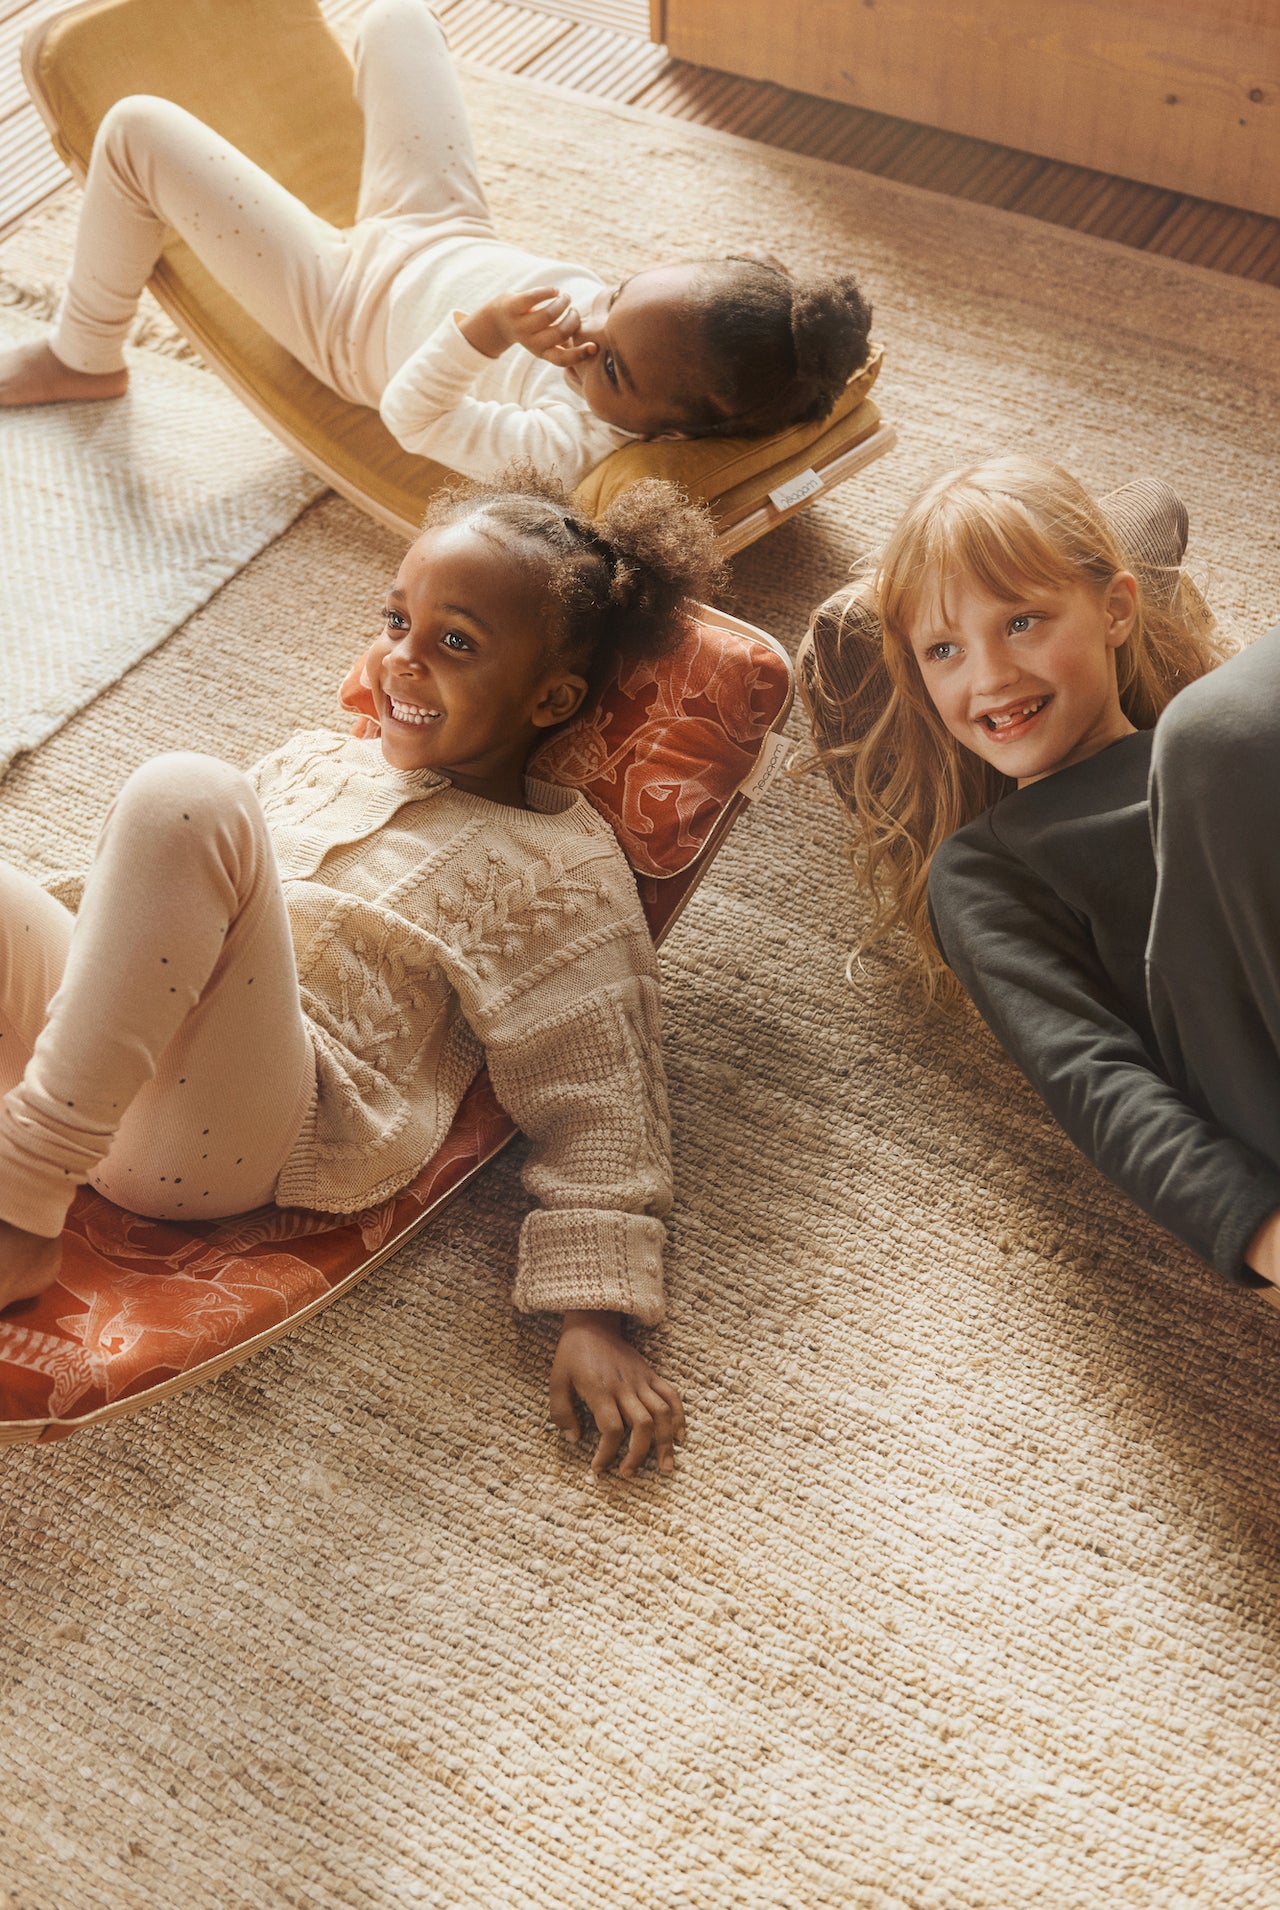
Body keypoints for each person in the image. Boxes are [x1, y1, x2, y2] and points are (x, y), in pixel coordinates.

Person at [0, 471, 724, 1475]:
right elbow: (147, 911)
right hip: (98, 1067)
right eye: (395, 620)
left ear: (552, 698)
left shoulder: (559, 866)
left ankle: (19, 1206)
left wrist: (595, 1316)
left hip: (236, 1131)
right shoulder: (317, 761)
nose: (400, 659)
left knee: (184, 794)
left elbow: (604, 1092)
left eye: (454, 642)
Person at [0, 0, 873, 487]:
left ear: (670, 437)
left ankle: (83, 352)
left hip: (347, 309)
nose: (586, 332)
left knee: (137, 130)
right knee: (398, 19)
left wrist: (484, 333)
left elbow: (415, 417)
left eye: (612, 368)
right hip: (440, 225)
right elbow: (635, 325)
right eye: (613, 297)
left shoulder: (567, 445)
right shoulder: (652, 346)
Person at [800, 454, 1280, 1301]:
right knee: (1215, 734)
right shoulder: (987, 867)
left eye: (1022, 622)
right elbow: (1098, 1085)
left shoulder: (1213, 748)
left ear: (1117, 611)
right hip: (1256, 1067)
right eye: (944, 650)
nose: (989, 675)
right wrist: (1266, 1237)